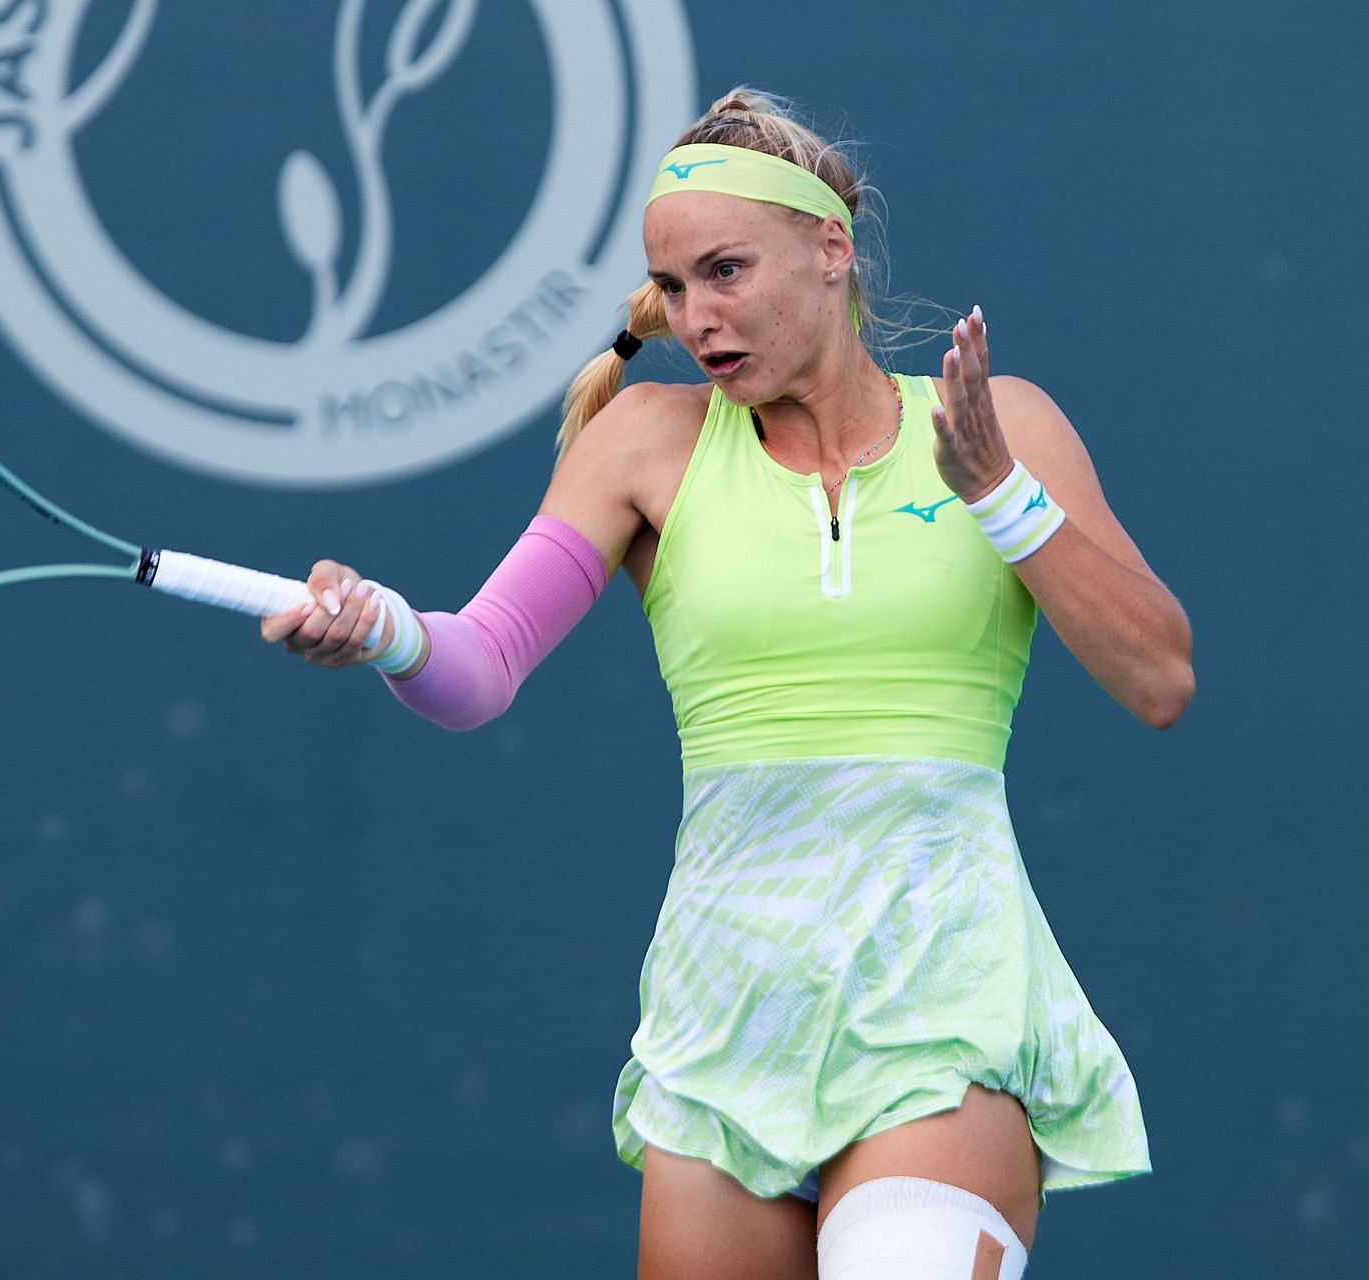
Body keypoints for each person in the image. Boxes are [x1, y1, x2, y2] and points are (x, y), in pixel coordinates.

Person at [260, 87, 1193, 1280]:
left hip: (942, 991)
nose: (697, 317)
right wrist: (382, 629)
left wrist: (1000, 492)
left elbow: (1160, 674)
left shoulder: (995, 423)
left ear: (830, 251)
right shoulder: (648, 439)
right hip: (724, 1015)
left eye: (726, 271)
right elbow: (479, 665)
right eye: (675, 286)